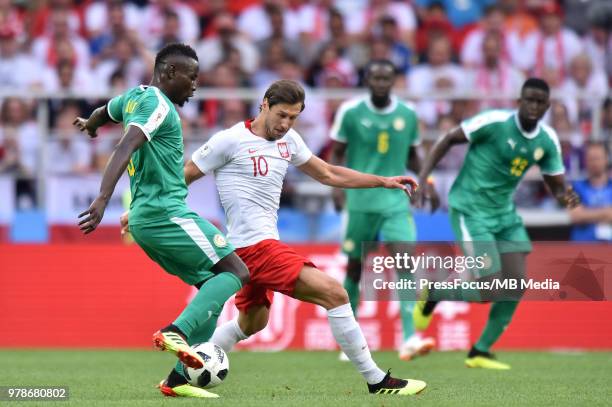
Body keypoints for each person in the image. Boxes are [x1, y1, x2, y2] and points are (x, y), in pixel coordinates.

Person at [125, 79, 427, 396]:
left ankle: (177, 379)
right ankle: (377, 380)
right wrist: (141, 209)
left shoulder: (290, 141)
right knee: (335, 293)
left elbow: (328, 173)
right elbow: (181, 176)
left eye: (293, 118)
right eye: (281, 115)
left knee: (253, 321)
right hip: (254, 247)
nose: (285, 124)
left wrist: (383, 181)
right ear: (265, 104)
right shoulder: (229, 140)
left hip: (247, 252)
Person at [74, 43, 250, 399]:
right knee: (237, 271)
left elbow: (103, 113)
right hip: (166, 213)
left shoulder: (135, 98)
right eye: (192, 77)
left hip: (145, 219)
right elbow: (125, 146)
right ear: (170, 72)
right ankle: (177, 332)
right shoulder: (157, 105)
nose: (196, 85)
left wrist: (90, 125)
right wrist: (102, 199)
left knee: (210, 287)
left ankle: (178, 380)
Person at [411, 78, 580, 369]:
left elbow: (556, 183)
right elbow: (449, 138)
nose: (533, 105)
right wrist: (425, 179)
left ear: (547, 106)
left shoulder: (546, 140)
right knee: (490, 287)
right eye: (528, 99)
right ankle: (435, 292)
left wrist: (566, 196)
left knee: (515, 285)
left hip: (504, 215)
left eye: (539, 101)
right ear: (519, 100)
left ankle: (480, 351)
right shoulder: (494, 122)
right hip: (470, 210)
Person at [329, 59, 438, 361]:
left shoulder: (408, 114)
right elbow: (336, 153)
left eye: (386, 78)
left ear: (394, 81)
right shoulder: (350, 112)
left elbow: (414, 157)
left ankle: (410, 338)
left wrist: (427, 180)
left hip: (394, 199)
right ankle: (350, 343)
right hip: (360, 200)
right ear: (367, 80)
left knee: (404, 260)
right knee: (355, 267)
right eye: (375, 77)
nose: (380, 83)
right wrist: (337, 189)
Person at [569, 142, 612, 241]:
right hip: (583, 248)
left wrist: (587, 213)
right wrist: (606, 212)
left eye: (597, 158)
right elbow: (575, 216)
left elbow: (581, 215)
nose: (594, 163)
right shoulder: (572, 188)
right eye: (591, 159)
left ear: (606, 159)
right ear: (585, 161)